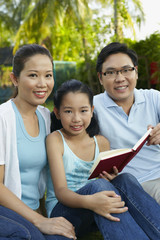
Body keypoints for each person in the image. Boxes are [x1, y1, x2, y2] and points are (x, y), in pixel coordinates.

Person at [46, 79, 160, 240]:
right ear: (57, 113)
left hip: (98, 210)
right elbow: (61, 192)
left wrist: (110, 179)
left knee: (124, 178)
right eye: (68, 111)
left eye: (83, 111)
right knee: (98, 186)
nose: (77, 118)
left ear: (92, 111)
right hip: (65, 211)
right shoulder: (55, 140)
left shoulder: (101, 142)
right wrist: (92, 201)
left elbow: (106, 183)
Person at [0, 44, 76, 240]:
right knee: (29, 235)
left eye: (48, 75)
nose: (43, 83)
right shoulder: (3, 118)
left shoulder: (45, 117)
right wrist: (39, 220)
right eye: (33, 75)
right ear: (14, 79)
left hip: (33, 212)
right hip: (7, 213)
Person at [94, 42, 160, 205]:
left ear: (136, 72)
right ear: (100, 78)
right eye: (111, 72)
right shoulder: (92, 107)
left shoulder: (153, 98)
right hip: (134, 184)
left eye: (126, 70)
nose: (120, 78)